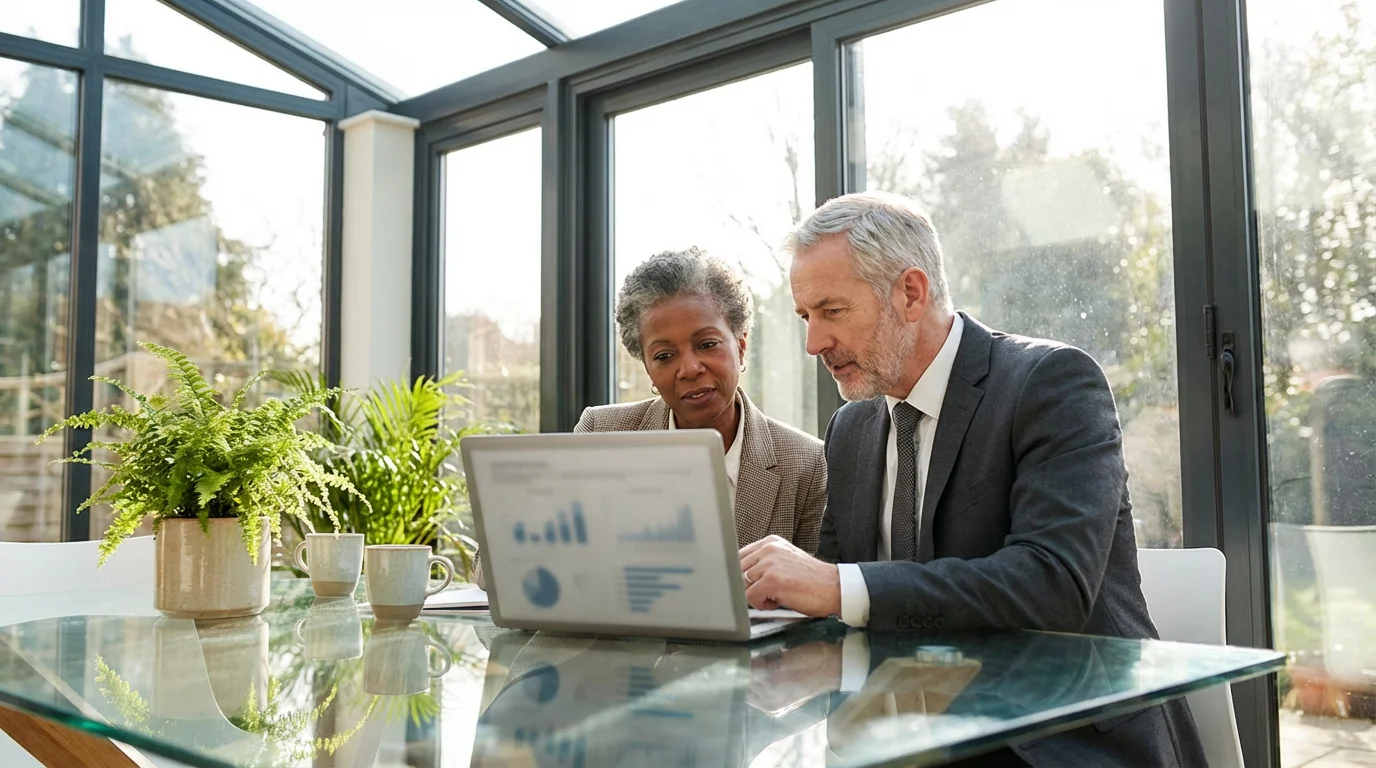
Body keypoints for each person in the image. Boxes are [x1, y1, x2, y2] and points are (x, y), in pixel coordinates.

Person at [736, 192, 1206, 766]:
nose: (814, 343)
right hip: (895, 734)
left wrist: (834, 586)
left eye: (832, 311)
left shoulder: (1051, 383)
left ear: (911, 292)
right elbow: (846, 608)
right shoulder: (851, 429)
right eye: (805, 317)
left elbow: (1051, 584)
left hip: (1052, 739)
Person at [470, 247, 826, 588]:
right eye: (664, 355)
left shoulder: (806, 464)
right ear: (647, 369)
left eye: (707, 344)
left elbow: (819, 605)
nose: (689, 368)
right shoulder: (602, 435)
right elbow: (491, 574)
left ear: (742, 345)